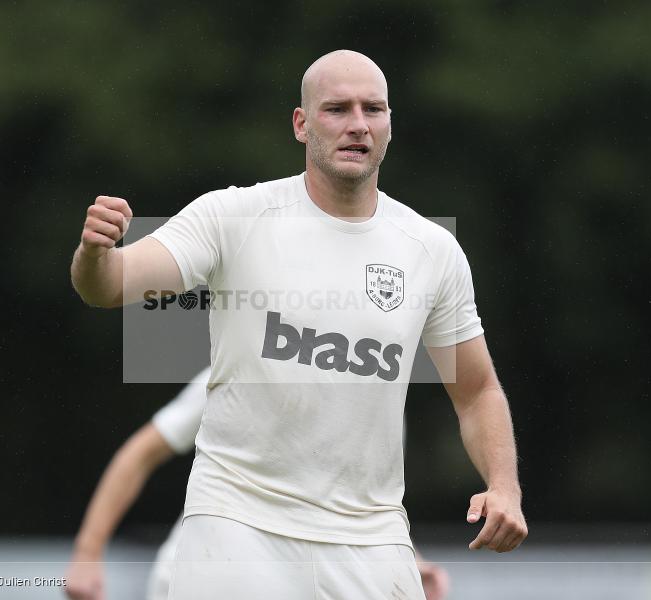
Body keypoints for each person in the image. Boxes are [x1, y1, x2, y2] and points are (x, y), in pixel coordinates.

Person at [71, 50, 526, 599]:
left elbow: (476, 391)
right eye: (337, 108)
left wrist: (504, 487)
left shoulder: (432, 250)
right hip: (237, 525)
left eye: (373, 109)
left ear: (388, 124)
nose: (358, 123)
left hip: (371, 538)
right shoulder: (233, 216)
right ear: (301, 123)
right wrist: (95, 254)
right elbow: (110, 286)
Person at [62, 367, 450, 600]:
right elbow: (141, 453)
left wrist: (408, 560)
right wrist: (87, 552)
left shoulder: (380, 401)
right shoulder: (241, 368)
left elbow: (361, 503)